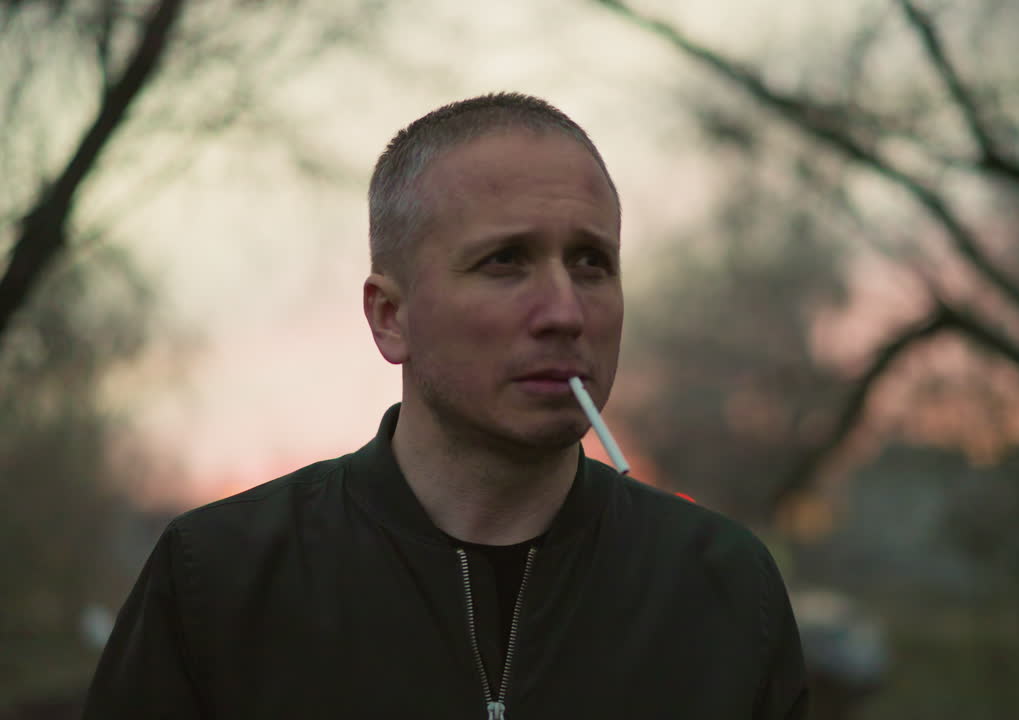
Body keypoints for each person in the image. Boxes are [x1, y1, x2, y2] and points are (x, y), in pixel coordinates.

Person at [83, 92, 810, 719]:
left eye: (591, 261)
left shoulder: (720, 588)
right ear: (390, 317)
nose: (564, 310)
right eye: (505, 261)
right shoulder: (221, 579)